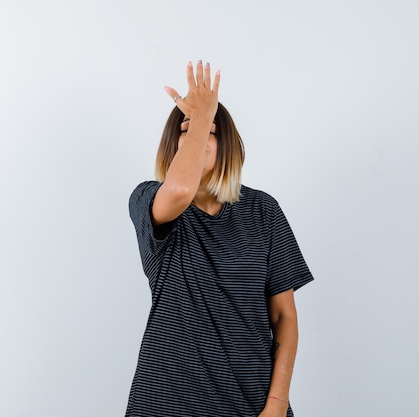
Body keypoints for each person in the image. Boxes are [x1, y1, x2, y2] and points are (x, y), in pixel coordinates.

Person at [126, 60, 314, 417]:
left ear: (226, 143)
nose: (198, 134)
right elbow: (180, 188)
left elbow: (284, 318)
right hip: (167, 402)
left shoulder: (263, 211)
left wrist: (276, 404)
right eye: (187, 128)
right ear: (174, 143)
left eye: (210, 130)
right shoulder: (149, 199)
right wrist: (202, 115)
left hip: (253, 402)